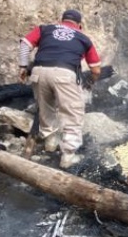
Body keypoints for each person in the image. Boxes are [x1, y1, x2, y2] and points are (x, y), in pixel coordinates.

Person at [18, 9, 102, 168]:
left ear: (60, 20)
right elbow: (96, 70)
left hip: (39, 72)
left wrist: (23, 67)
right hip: (65, 74)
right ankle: (68, 157)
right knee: (73, 113)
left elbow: (24, 45)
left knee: (46, 108)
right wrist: (90, 82)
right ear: (80, 25)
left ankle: (50, 142)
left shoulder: (45, 29)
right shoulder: (84, 39)